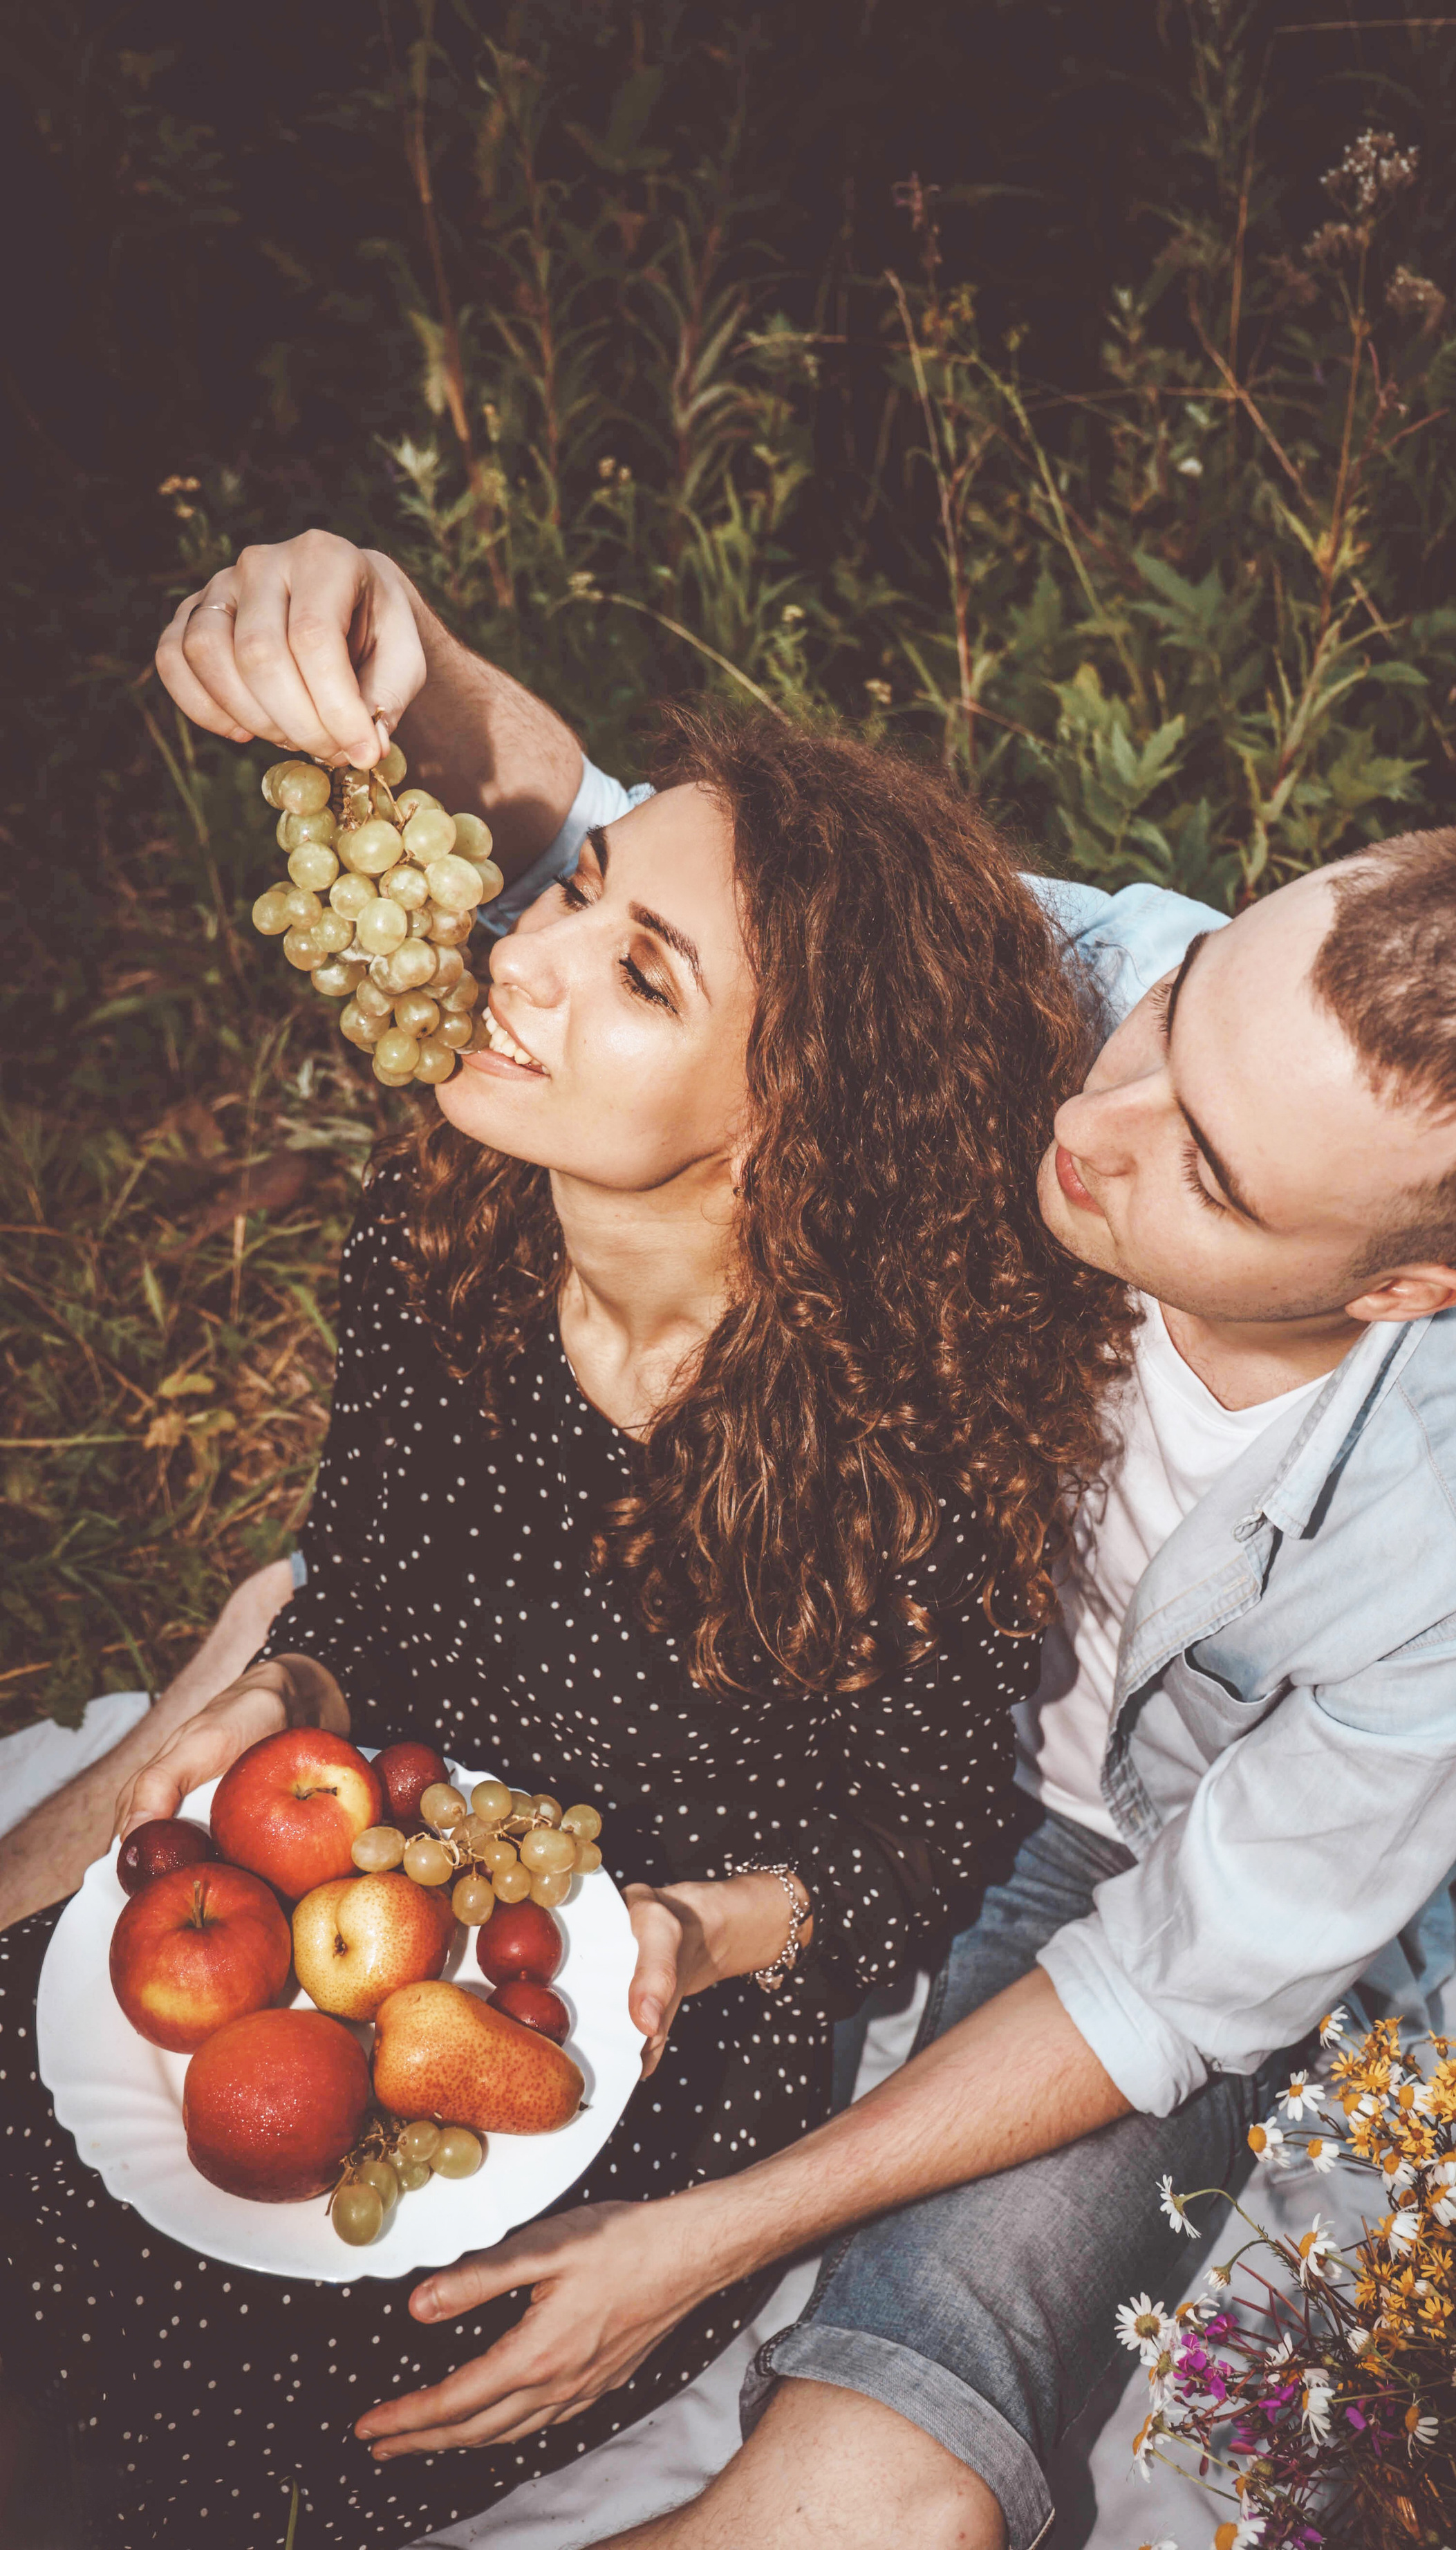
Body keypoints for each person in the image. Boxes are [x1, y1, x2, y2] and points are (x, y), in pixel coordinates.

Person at [95, 532, 1456, 2550]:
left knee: (885, 2467)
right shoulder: (1104, 997)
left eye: (1201, 1168)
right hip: (806, 1706)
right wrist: (388, 648)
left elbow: (1171, 1984)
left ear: (1402, 1292)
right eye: (1181, 1009)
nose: (1094, 1125)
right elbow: (638, 862)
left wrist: (707, 2235)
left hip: (1116, 1862)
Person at [0, 696, 1136, 2549]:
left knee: (249, 2377)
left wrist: (694, 1926)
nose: (516, 954)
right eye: (571, 894)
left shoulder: (892, 1449)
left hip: (624, 2029)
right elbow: (358, 1581)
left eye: (639, 975)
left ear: (794, 1124)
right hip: (356, 1865)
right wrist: (278, 1685)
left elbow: (916, 1840)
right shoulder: (438, 1235)